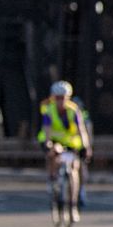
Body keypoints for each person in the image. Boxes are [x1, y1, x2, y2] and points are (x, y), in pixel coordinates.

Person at [38, 80, 91, 219]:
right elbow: (47, 131)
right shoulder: (49, 111)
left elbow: (82, 130)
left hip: (70, 141)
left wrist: (86, 146)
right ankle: (52, 180)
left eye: (63, 98)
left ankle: (73, 205)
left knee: (74, 169)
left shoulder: (74, 111)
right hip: (54, 140)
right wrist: (48, 144)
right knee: (53, 154)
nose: (60, 101)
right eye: (58, 98)